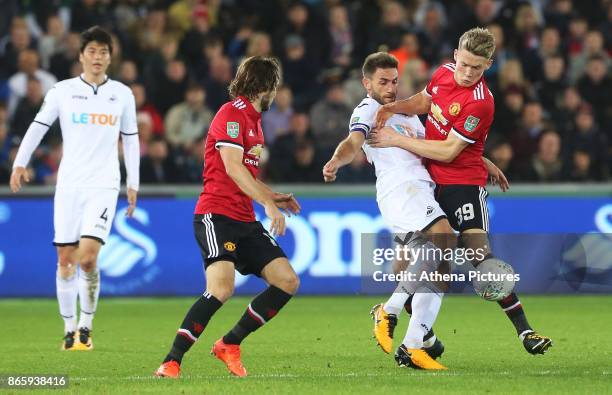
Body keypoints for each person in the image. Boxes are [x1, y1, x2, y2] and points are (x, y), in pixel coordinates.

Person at [370, 27, 552, 355]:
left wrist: (396, 138)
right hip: (427, 182)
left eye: (477, 68)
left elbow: (449, 152)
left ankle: (525, 330)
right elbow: (426, 101)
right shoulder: (443, 73)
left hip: (462, 185)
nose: (468, 73)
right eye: (464, 64)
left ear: (489, 65)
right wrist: (394, 108)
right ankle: (421, 339)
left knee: (479, 258)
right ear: (455, 56)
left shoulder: (481, 103)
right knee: (407, 263)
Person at [322, 52, 505, 370]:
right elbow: (353, 141)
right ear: (366, 83)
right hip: (403, 192)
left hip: (424, 191)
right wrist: (338, 160)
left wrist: (481, 160)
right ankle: (389, 311)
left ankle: (414, 345)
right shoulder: (368, 109)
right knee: (445, 238)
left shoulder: (408, 115)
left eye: (394, 81)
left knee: (438, 267)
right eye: (383, 82)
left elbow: (439, 147)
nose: (391, 88)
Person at [155, 56, 301, 379]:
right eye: (274, 86)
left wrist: (273, 196)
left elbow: (245, 174)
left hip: (243, 219)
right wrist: (268, 204)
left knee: (287, 281)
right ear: (266, 86)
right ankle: (172, 360)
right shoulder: (231, 114)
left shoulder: (255, 122)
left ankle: (229, 343)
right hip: (216, 215)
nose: (276, 93)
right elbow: (233, 168)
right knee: (221, 288)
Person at [9, 26, 140, 351]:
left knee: (88, 259)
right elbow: (38, 126)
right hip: (69, 186)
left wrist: (133, 182)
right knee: (65, 259)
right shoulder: (62, 91)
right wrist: (19, 163)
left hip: (104, 185)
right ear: (81, 56)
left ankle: (86, 325)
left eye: (104, 52)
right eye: (92, 51)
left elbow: (132, 139)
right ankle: (69, 329)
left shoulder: (122, 94)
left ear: (111, 57)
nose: (98, 57)